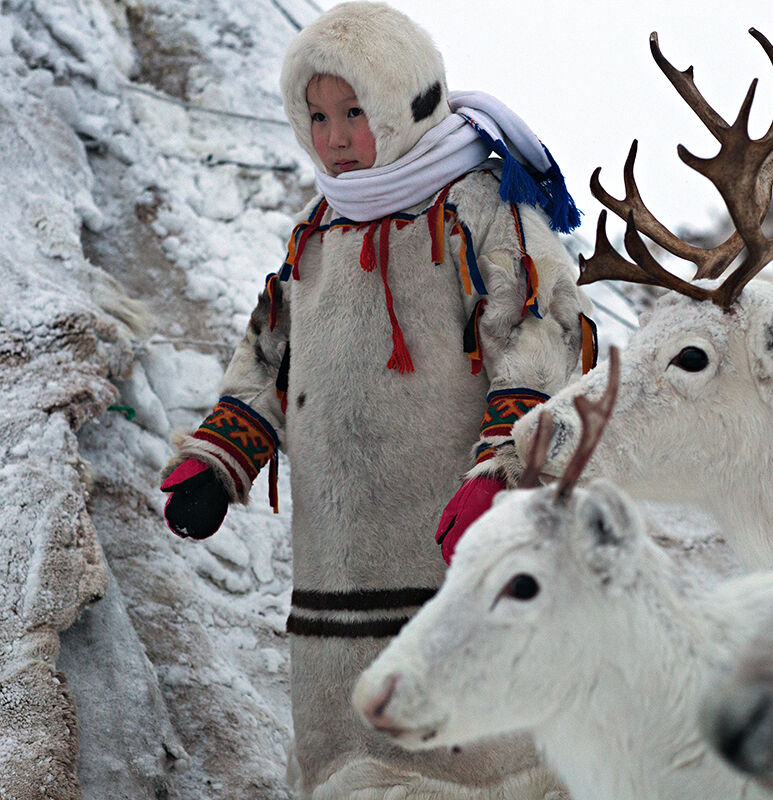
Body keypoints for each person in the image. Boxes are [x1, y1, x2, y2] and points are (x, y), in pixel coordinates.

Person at [158, 2, 595, 797]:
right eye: (316, 116)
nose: (332, 137)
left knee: (472, 751)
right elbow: (269, 354)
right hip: (334, 571)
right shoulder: (317, 226)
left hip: (455, 543)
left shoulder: (482, 208)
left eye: (354, 112)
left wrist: (503, 471)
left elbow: (540, 340)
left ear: (407, 102)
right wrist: (220, 460)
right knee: (343, 745)